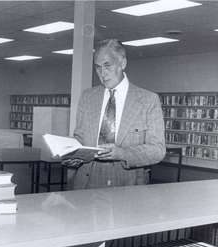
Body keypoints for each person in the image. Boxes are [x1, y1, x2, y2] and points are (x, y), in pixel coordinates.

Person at [64, 39, 166, 189]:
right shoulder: (87, 97)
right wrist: (73, 155)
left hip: (128, 181)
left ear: (122, 63)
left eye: (107, 66)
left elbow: (157, 150)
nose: (102, 74)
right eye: (98, 68)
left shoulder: (148, 100)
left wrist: (123, 153)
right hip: (87, 179)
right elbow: (80, 137)